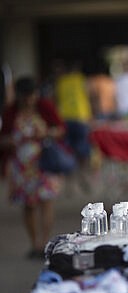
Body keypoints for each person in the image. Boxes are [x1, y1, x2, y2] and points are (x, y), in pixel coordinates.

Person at [0, 76, 66, 258]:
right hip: (21, 166)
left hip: (44, 162)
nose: (29, 100)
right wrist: (10, 142)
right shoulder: (10, 112)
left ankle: (45, 241)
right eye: (25, 96)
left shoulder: (45, 107)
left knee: (46, 202)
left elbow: (60, 129)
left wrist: (46, 132)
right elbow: (2, 139)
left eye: (31, 95)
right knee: (28, 205)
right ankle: (35, 243)